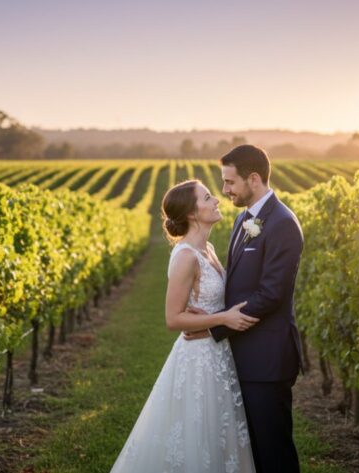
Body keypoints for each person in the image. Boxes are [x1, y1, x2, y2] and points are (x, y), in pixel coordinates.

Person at [110, 179, 257, 473]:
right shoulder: (186, 256)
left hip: (216, 353)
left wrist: (217, 319)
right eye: (207, 197)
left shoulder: (209, 249)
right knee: (197, 437)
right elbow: (173, 319)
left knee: (220, 434)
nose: (216, 200)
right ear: (192, 213)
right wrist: (222, 319)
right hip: (198, 358)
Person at [186, 144, 304, 472]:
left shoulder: (282, 223)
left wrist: (215, 326)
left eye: (229, 182)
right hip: (242, 355)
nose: (224, 191)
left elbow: (271, 294)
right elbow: (237, 283)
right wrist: (210, 313)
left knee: (273, 452)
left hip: (267, 360)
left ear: (254, 179)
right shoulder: (243, 219)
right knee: (251, 450)